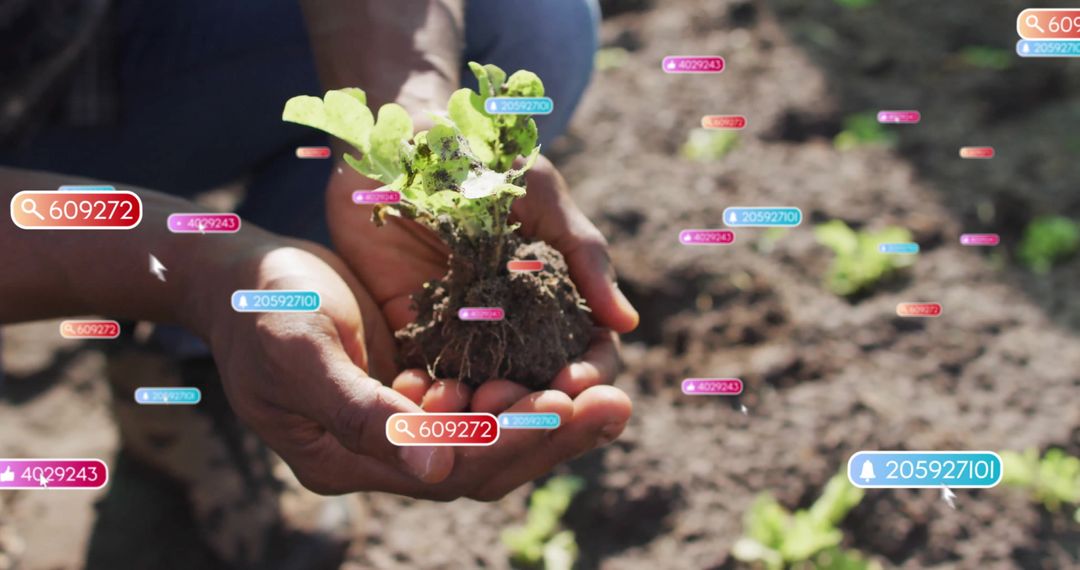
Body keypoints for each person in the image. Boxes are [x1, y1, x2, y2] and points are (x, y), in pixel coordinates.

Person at [0, 0, 638, 566]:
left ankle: (190, 364)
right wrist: (205, 275)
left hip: (82, 44)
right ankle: (217, 349)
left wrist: (410, 109)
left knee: (526, 20)